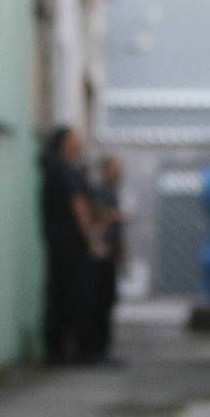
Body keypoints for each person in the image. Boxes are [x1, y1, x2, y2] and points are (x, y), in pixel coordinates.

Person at [40, 126, 105, 365]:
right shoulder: (64, 170)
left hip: (60, 243)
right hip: (70, 245)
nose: (79, 144)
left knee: (60, 296)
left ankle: (60, 352)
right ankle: (73, 351)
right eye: (74, 139)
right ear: (64, 143)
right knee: (73, 297)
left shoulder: (57, 169)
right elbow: (78, 206)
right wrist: (92, 241)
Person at [85, 154, 125, 363]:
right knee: (100, 303)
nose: (119, 172)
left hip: (110, 253)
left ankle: (102, 349)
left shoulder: (111, 191)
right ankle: (96, 350)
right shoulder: (100, 190)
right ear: (106, 170)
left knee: (107, 302)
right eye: (115, 168)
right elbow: (97, 216)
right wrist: (117, 215)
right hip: (101, 254)